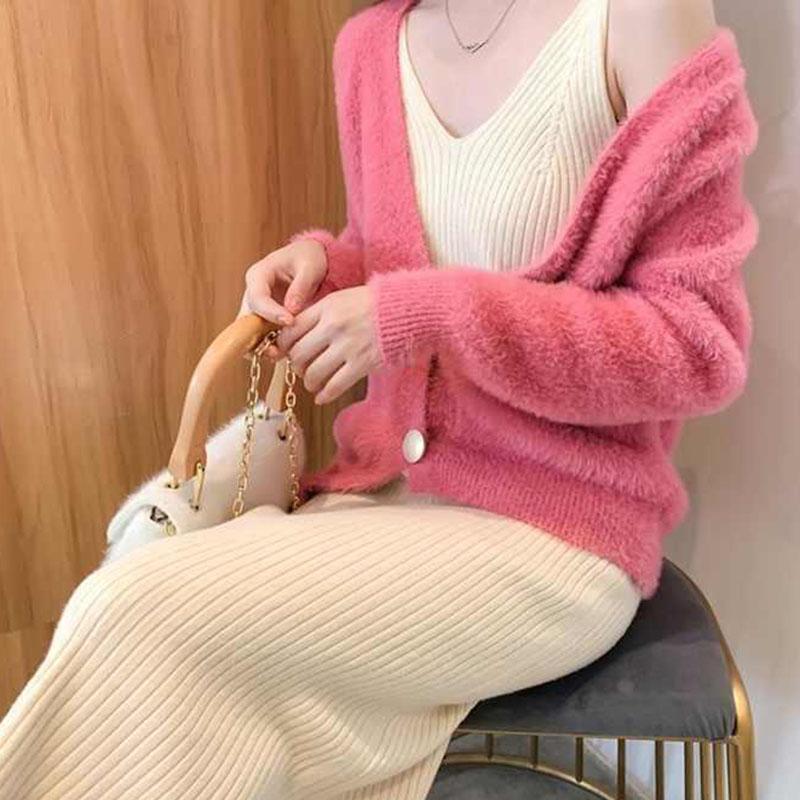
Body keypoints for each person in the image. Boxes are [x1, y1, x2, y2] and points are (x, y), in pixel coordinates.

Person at [0, 0, 757, 798]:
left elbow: (696, 344)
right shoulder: (370, 45)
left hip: (554, 532)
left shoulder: (640, 17)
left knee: (143, 614)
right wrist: (321, 271)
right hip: (379, 497)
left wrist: (422, 315)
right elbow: (388, 254)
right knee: (134, 615)